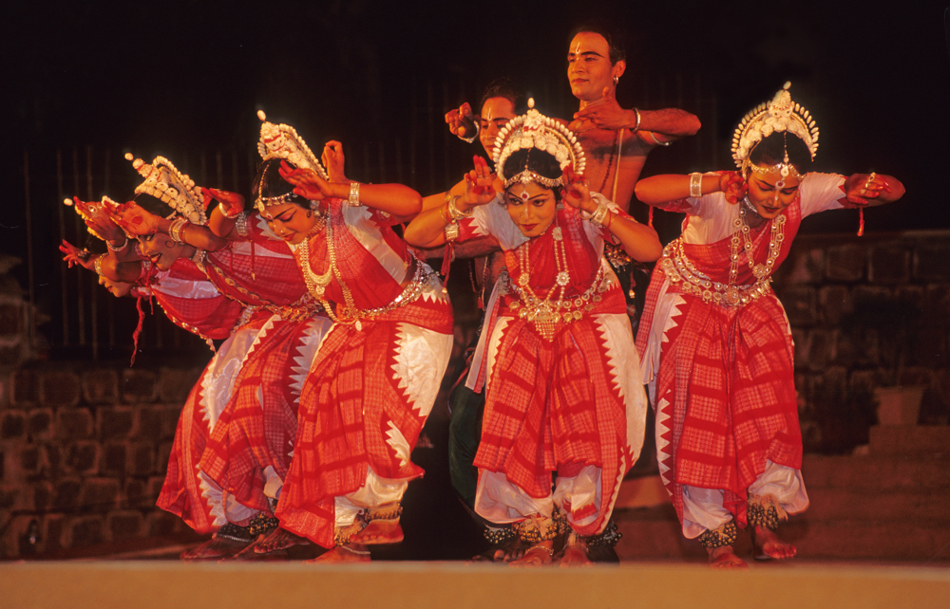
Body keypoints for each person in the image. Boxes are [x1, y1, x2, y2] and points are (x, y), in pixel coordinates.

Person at [633, 83, 905, 569]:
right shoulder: (723, 191)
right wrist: (710, 184)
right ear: (744, 172)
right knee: (701, 419)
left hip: (751, 305)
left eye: (788, 189)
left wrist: (870, 186)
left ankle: (762, 520)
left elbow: (892, 190)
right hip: (691, 303)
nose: (779, 198)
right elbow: (644, 191)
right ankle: (718, 542)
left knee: (767, 409)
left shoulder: (804, 189)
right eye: (767, 186)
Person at [404, 101, 661, 565]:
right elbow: (418, 236)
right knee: (521, 432)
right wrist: (462, 199)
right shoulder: (500, 214)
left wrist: (601, 212)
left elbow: (649, 248)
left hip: (588, 329)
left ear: (559, 195)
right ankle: (538, 535)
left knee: (586, 434)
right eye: (517, 202)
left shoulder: (581, 209)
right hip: (527, 327)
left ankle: (581, 541)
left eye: (538, 202)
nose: (526, 215)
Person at [240, 112, 454, 562]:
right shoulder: (302, 238)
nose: (279, 230)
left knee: (373, 390)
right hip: (358, 325)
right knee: (318, 401)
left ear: (313, 201)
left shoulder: (348, 208)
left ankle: (384, 510)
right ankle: (344, 534)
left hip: (414, 314)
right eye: (272, 221)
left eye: (284, 217)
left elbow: (411, 203)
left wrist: (341, 187)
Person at [108, 154, 333, 561]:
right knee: (202, 410)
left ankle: (292, 516)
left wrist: (143, 235)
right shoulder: (204, 252)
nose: (144, 248)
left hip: (319, 323)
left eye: (148, 238)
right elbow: (124, 275)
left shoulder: (244, 232)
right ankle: (246, 520)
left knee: (260, 396)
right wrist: (119, 243)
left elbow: (210, 243)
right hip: (267, 331)